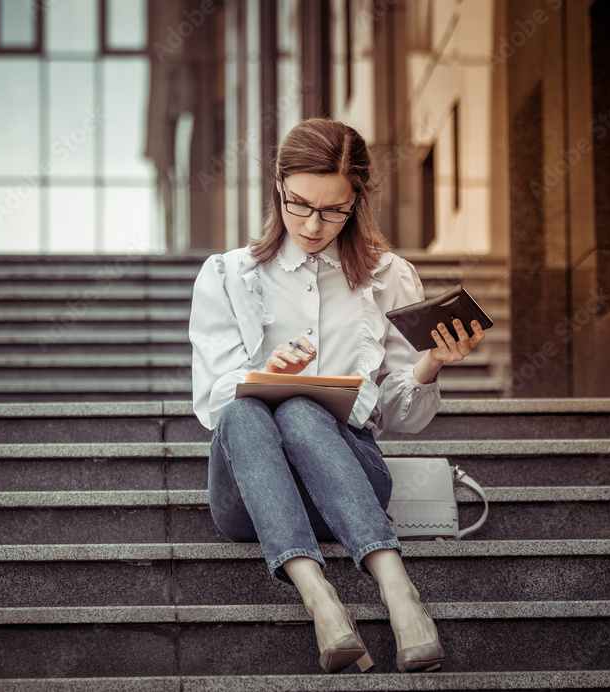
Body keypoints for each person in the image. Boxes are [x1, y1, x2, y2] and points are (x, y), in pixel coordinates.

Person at [188, 117, 485, 673]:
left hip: (352, 480)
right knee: (248, 411)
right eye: (299, 204)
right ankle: (320, 597)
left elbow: (401, 416)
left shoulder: (389, 276)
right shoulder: (229, 275)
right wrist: (267, 371)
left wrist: (429, 364)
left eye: (332, 209)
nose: (312, 223)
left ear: (357, 203)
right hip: (249, 493)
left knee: (302, 410)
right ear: (278, 188)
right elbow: (210, 402)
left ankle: (398, 593)